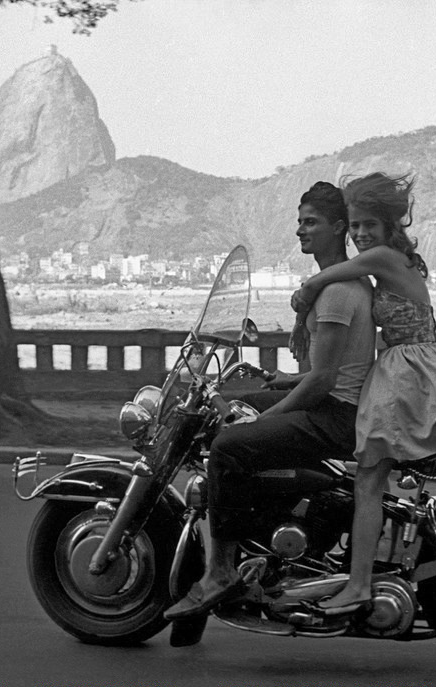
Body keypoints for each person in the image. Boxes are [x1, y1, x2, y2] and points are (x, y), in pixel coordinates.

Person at [164, 181, 376, 619]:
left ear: (339, 227)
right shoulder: (338, 283)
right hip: (335, 402)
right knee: (235, 406)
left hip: (336, 414)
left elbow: (324, 382)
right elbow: (332, 370)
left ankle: (219, 572)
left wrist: (269, 415)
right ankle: (257, 537)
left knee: (228, 445)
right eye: (299, 221)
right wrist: (282, 382)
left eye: (311, 222)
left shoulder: (336, 292)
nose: (301, 230)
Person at [290, 171, 436, 615]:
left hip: (408, 369)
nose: (360, 234)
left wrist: (307, 292)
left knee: (369, 480)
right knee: (377, 477)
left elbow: (330, 274)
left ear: (388, 228)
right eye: (355, 225)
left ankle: (359, 584)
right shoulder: (397, 260)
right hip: (410, 365)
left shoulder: (380, 258)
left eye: (368, 226)